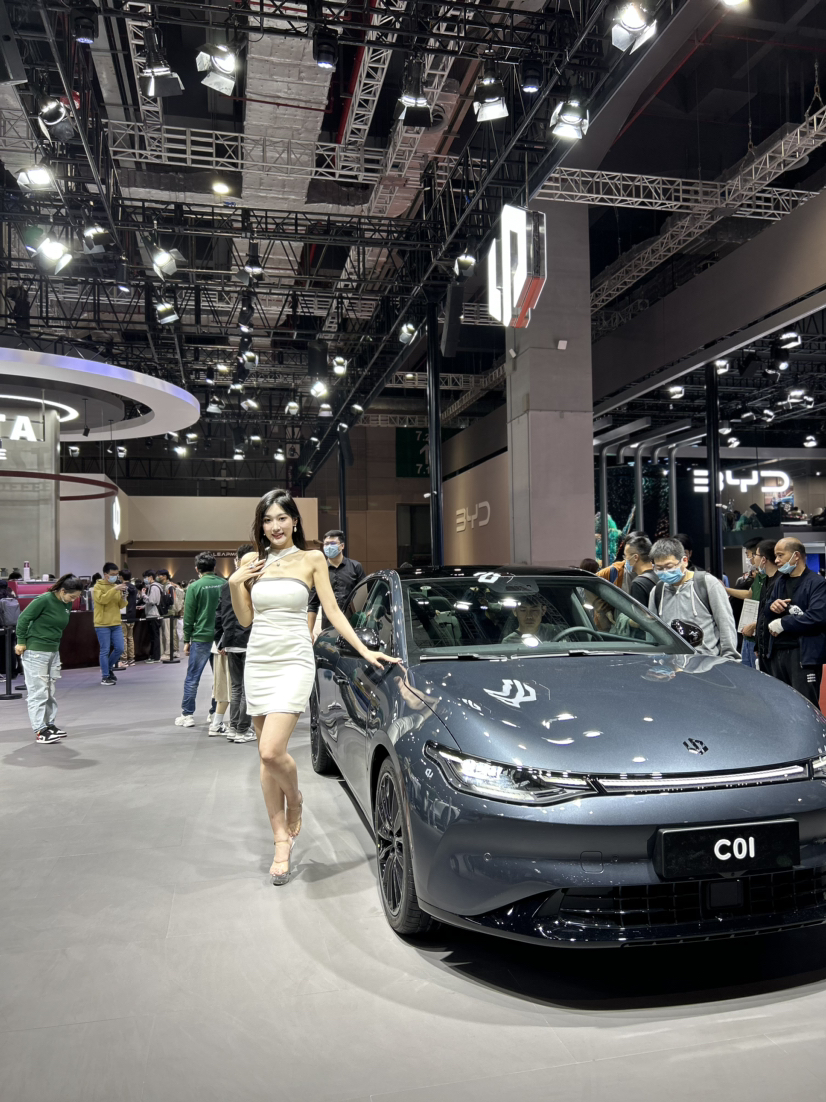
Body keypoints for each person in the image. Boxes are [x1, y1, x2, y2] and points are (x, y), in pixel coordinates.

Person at [229, 489, 399, 885]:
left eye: (281, 518)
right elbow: (245, 619)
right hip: (259, 659)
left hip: (293, 659)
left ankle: (296, 800)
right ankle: (280, 841)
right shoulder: (252, 562)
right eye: (267, 520)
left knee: (272, 751)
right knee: (266, 759)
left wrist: (364, 650)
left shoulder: (312, 559)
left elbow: (333, 610)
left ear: (294, 521)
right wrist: (236, 582)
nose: (275, 526)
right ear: (260, 525)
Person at [14, 574, 84, 743]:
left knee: (49, 691)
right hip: (35, 651)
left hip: (53, 650)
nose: (73, 600)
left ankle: (49, 724)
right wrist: (21, 641)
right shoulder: (44, 600)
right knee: (38, 692)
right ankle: (40, 730)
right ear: (62, 591)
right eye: (72, 597)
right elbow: (23, 619)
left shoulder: (65, 603)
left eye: (76, 597)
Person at [648, 537, 738, 660]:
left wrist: (730, 658)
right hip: (671, 664)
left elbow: (725, 623)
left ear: (684, 560)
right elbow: (652, 629)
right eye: (659, 568)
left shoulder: (707, 584)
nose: (664, 572)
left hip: (706, 663)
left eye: (669, 566)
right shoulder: (657, 592)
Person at [762, 537, 826, 705]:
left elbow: (817, 617)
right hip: (777, 653)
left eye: (780, 555)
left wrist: (784, 623)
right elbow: (766, 611)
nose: (776, 560)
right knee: (781, 706)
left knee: (805, 706)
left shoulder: (817, 583)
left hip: (803, 656)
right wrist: (772, 607)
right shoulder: (780, 582)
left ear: (796, 556)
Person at [175, 552, 226, 727]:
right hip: (220, 638)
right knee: (219, 678)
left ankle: (187, 715)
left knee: (192, 677)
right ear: (214, 567)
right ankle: (214, 713)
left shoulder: (194, 587)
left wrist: (186, 640)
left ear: (197, 569)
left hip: (200, 637)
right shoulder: (225, 584)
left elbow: (189, 616)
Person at [215, 543, 255, 743]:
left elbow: (219, 615)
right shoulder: (253, 583)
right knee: (247, 688)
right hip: (250, 640)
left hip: (231, 640)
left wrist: (220, 641)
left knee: (236, 687)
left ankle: (233, 727)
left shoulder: (226, 585)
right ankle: (242, 729)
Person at [307, 529, 365, 636]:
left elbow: (365, 596)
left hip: (353, 625)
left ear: (342, 546)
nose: (329, 547)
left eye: (333, 543)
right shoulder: (319, 570)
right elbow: (312, 604)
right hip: (329, 628)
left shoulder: (355, 567)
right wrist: (309, 632)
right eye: (326, 544)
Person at [724, 538, 764, 668]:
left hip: (758, 633)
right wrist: (724, 589)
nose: (748, 558)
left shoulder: (771, 578)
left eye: (749, 554)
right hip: (747, 633)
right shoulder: (758, 577)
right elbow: (748, 594)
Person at [92, 563, 128, 686]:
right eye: (112, 574)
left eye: (116, 574)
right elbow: (102, 600)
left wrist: (124, 597)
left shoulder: (115, 587)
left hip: (116, 622)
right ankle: (105, 676)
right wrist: (115, 589)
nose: (115, 576)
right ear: (105, 574)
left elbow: (121, 605)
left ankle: (107, 668)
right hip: (102, 624)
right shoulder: (98, 587)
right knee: (105, 650)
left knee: (120, 648)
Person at [157, 569, 184, 659]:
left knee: (168, 633)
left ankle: (168, 653)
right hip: (171, 613)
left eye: (159, 575)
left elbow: (172, 600)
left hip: (169, 613)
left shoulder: (169, 587)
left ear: (165, 576)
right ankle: (175, 651)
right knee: (172, 632)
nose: (158, 577)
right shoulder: (168, 586)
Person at [623, 535, 658, 606]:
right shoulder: (660, 576)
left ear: (635, 557)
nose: (625, 560)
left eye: (626, 556)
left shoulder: (638, 584)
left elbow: (638, 612)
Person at [142, 570, 163, 663]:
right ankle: (154, 656)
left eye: (146, 577)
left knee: (154, 636)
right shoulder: (154, 586)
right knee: (153, 636)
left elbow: (152, 601)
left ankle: (156, 657)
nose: (145, 579)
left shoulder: (154, 587)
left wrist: (143, 595)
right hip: (152, 613)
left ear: (151, 577)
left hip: (153, 614)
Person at [119, 568, 138, 667]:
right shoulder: (134, 587)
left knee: (123, 638)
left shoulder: (122, 587)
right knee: (130, 638)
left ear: (121, 577)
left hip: (124, 615)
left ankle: (124, 659)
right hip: (132, 615)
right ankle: (131, 659)